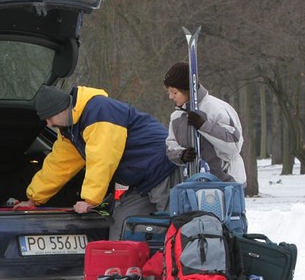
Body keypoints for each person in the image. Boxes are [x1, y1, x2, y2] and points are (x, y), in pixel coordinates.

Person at [15, 85, 179, 239]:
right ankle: (118, 268)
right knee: (122, 223)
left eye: (50, 118)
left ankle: (178, 266)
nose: (49, 124)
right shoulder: (70, 129)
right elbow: (58, 166)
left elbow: (102, 158)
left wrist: (90, 200)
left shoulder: (99, 111)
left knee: (173, 227)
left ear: (62, 109)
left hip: (163, 169)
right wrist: (33, 199)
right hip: (142, 182)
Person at [163, 62, 246, 185]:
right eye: (169, 92)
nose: (171, 97)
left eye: (174, 92)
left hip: (226, 182)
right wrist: (182, 155)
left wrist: (203, 126)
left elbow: (234, 143)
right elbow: (171, 146)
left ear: (188, 90)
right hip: (193, 183)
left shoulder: (216, 108)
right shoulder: (176, 117)